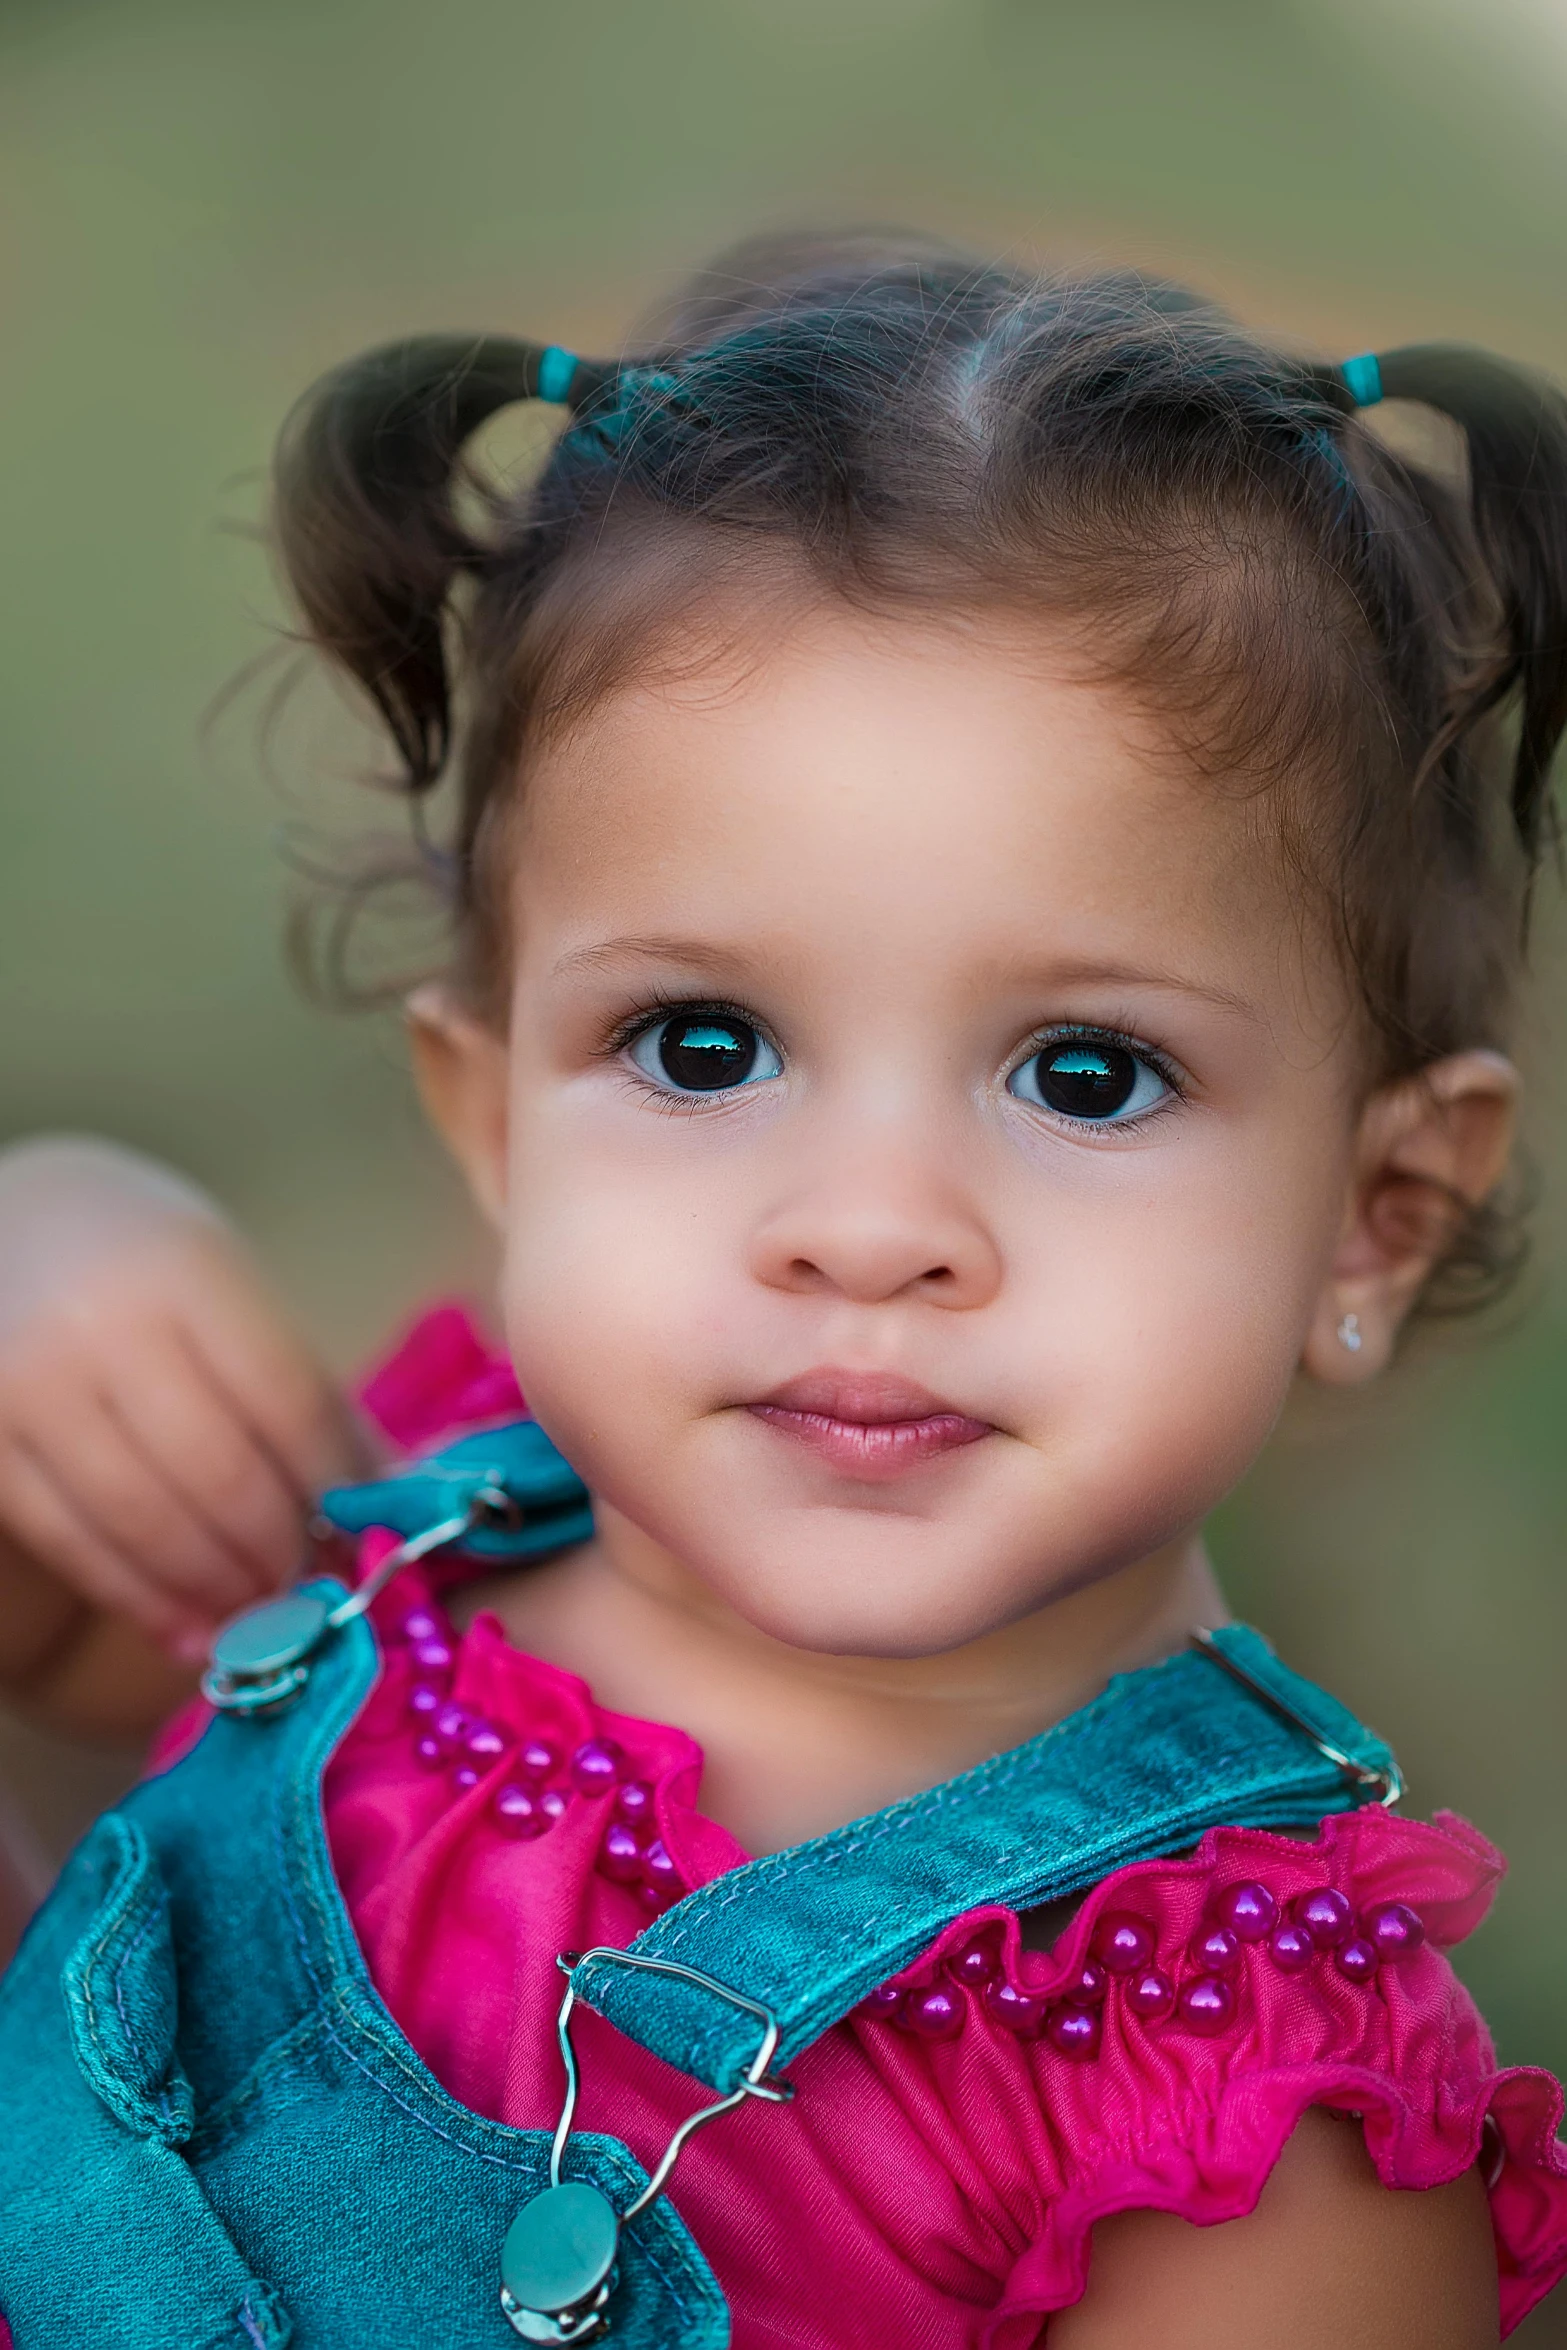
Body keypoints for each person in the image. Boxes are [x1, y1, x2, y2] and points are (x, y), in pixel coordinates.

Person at [0, 239, 1565, 2348]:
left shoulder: (1241, 2127)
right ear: (493, 1120)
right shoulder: (379, 1554)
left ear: (1370, 1213)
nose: (867, 1223)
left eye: (1086, 1072)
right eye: (703, 1045)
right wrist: (48, 1274)